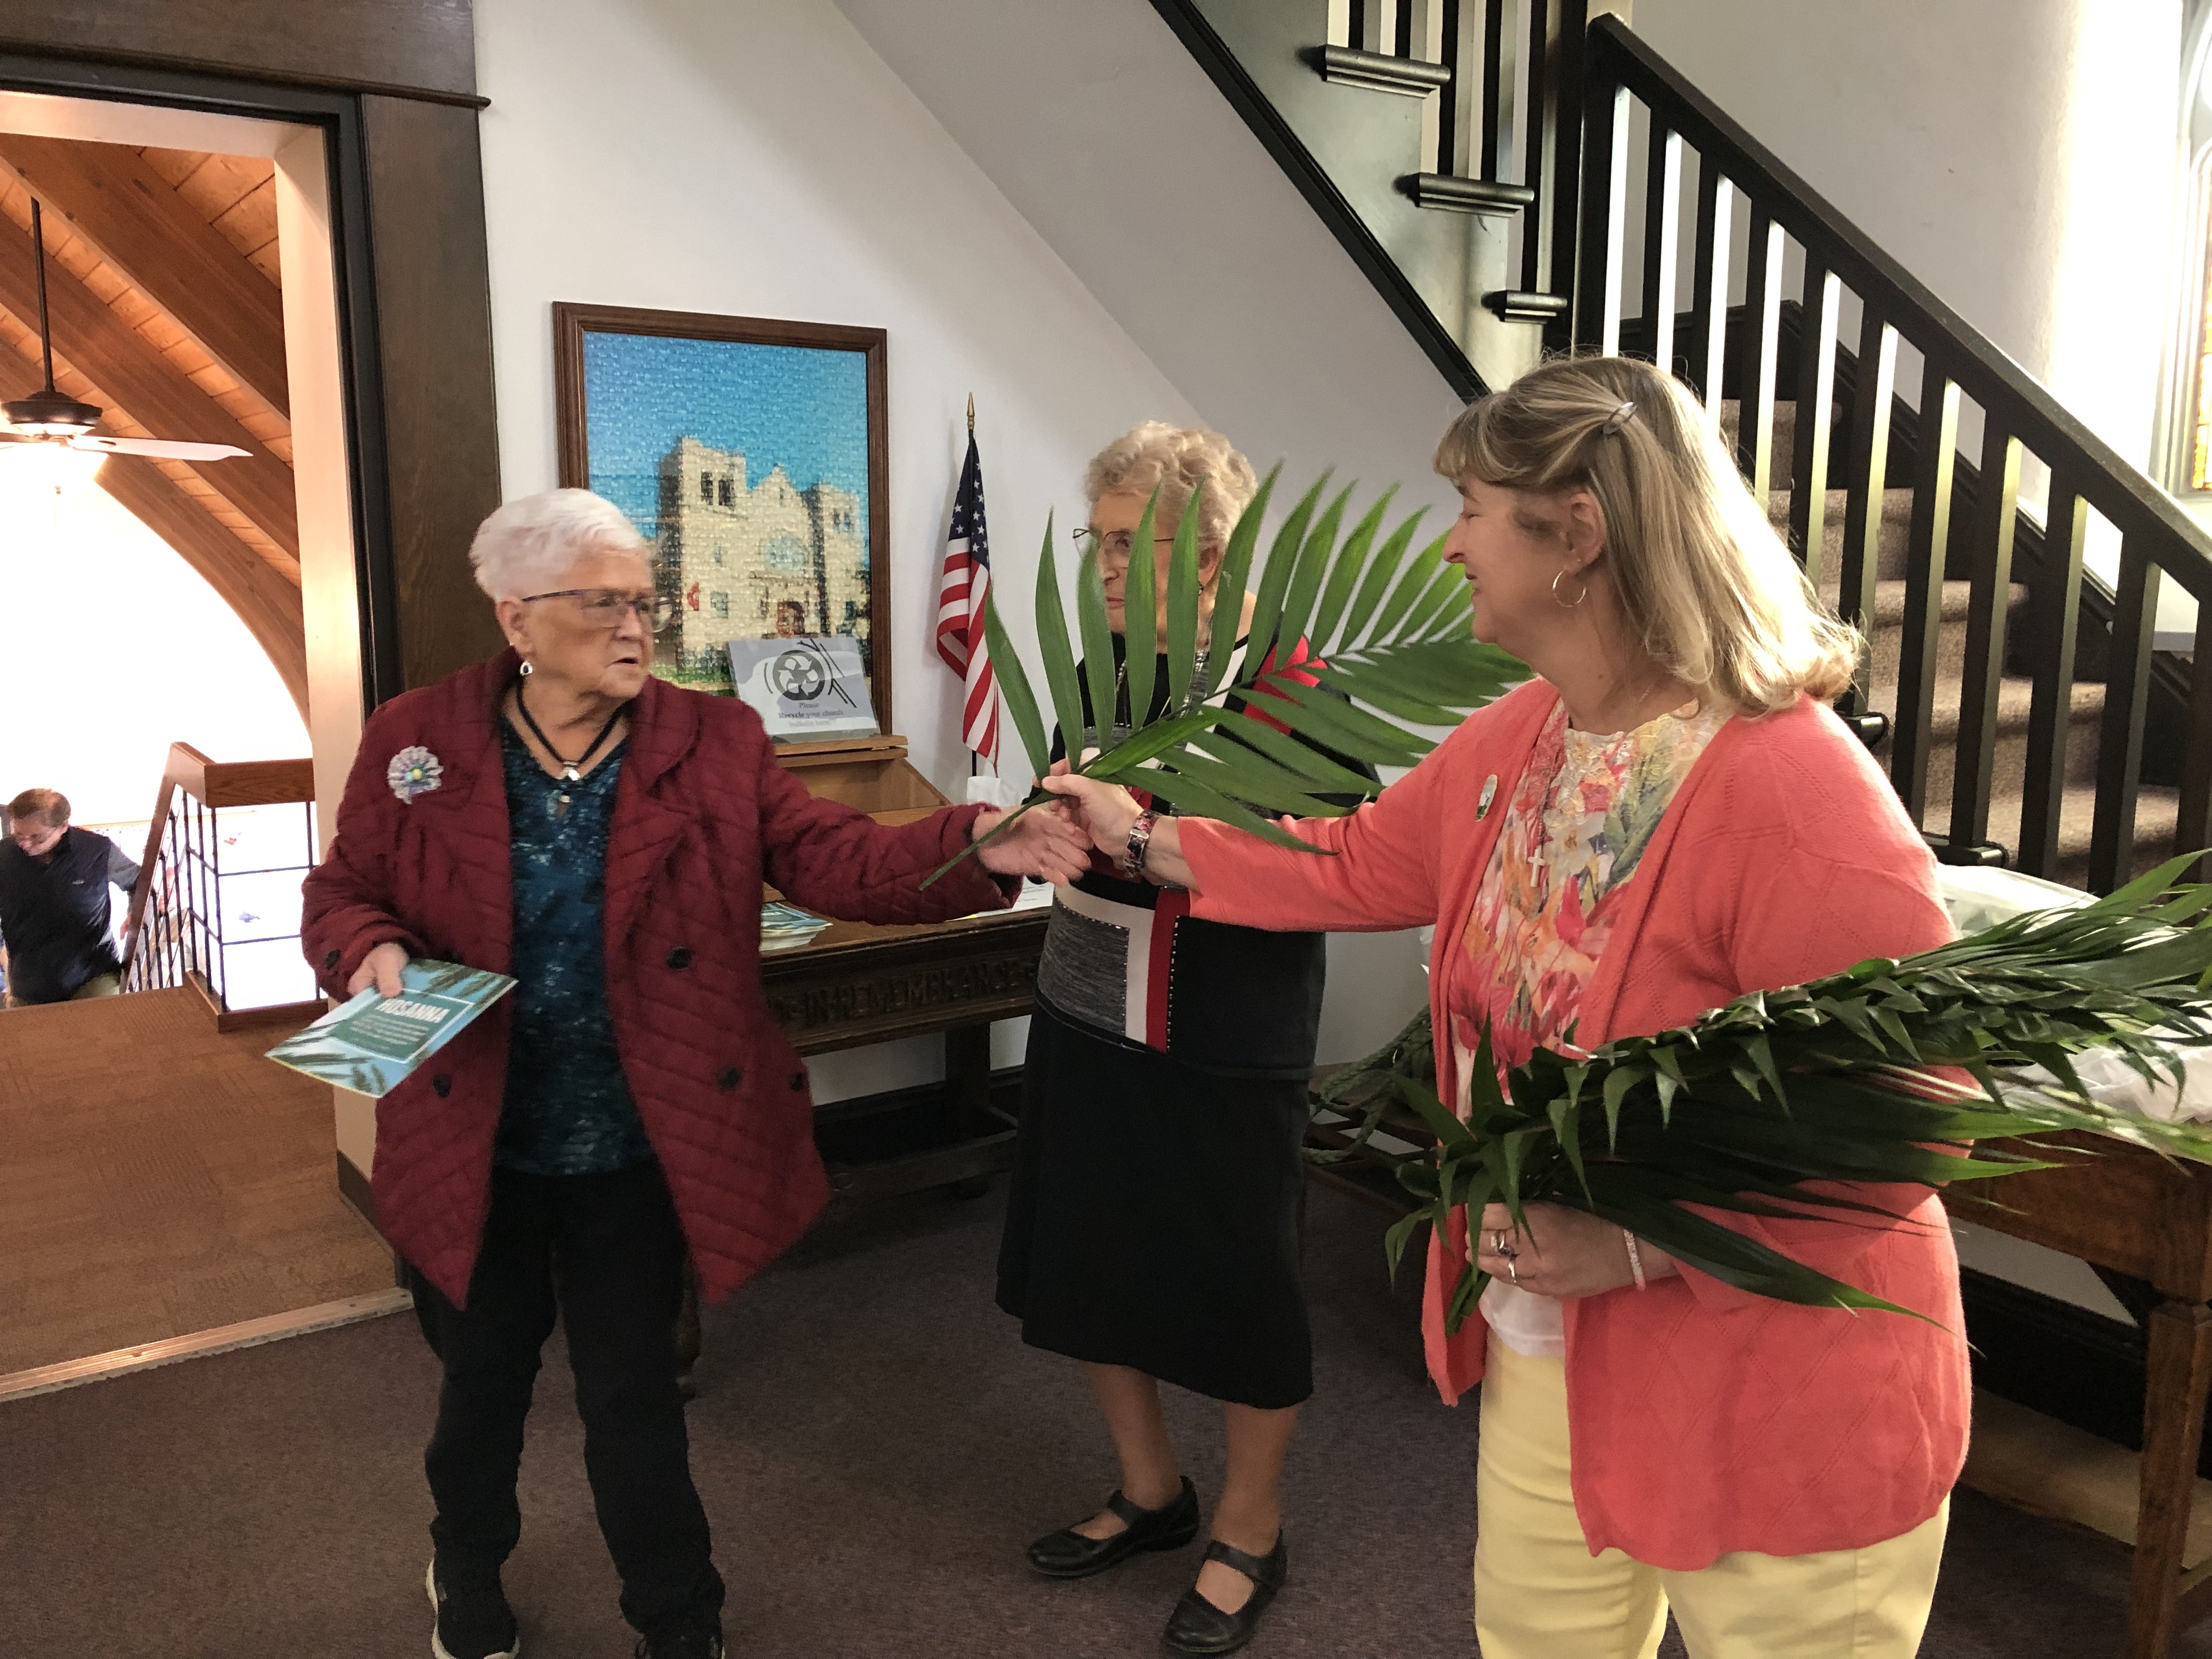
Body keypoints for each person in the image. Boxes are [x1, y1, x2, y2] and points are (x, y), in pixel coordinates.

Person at [1046, 358, 1968, 1659]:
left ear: (1576, 533)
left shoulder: (1796, 790)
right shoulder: (1527, 735)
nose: (1449, 543)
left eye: (1472, 509)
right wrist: (1139, 836)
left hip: (1772, 1387)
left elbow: (1913, 1113)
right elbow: (1355, 859)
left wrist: (1643, 1248)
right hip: (1555, 1352)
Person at [300, 488, 1088, 1659]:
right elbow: (344, 887)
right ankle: (465, 1565)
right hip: (473, 1135)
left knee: (632, 1396)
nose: (637, 627)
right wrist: (368, 946)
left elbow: (830, 854)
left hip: (637, 1134)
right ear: (516, 616)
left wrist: (976, 841)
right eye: (602, 603)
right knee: (481, 1388)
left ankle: (679, 1617)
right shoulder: (419, 737)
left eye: (644, 601)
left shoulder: (712, 739)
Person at [999, 423, 1365, 1658]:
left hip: (1225, 1022)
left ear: (1208, 557)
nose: (1102, 569)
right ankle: (1151, 1489)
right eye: (1097, 541)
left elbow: (1326, 866)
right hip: (1092, 999)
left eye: (1126, 546)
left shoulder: (1294, 687)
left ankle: (1251, 1526)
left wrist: (1144, 827)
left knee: (1238, 1281)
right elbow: (1069, 794)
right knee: (1088, 1254)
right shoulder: (1104, 663)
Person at [0, 788, 140, 1008]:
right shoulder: (4, 856)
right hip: (29, 981)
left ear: (63, 826)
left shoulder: (97, 851)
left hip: (93, 973)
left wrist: (136, 913)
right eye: (19, 835)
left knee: (101, 1027)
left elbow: (138, 882)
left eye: (36, 837)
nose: (25, 844)